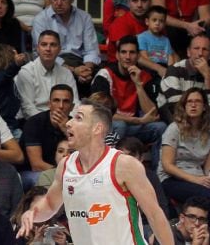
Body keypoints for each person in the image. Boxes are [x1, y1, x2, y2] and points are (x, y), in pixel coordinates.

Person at [16, 99, 174, 245]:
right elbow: (50, 205)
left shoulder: (123, 165)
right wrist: (32, 212)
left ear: (97, 128)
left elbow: (154, 214)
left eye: (78, 118)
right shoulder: (65, 166)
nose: (69, 123)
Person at [159, 87, 210, 227]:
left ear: (204, 107)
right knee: (207, 196)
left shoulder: (208, 132)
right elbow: (167, 165)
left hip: (198, 177)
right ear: (184, 106)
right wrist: (196, 180)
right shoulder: (174, 128)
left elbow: (209, 166)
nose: (193, 105)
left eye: (197, 101)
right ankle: (195, 228)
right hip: (172, 179)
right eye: (189, 102)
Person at [92, 36, 164, 148]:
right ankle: (106, 162)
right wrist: (137, 120)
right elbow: (101, 113)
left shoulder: (143, 76)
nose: (127, 57)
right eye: (123, 52)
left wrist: (138, 85)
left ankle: (158, 166)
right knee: (120, 125)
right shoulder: (105, 75)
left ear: (138, 56)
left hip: (132, 127)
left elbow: (152, 114)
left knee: (160, 127)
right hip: (109, 125)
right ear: (117, 55)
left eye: (132, 53)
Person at [31, 0, 101, 83]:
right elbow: (42, 52)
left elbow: (91, 50)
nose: (58, 3)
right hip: (52, 62)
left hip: (80, 63)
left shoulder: (84, 17)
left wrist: (87, 70)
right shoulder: (40, 19)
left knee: (101, 78)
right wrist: (73, 71)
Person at [15, 31, 80, 119]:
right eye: (44, 44)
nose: (48, 49)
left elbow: (75, 104)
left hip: (64, 121)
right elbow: (28, 109)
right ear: (38, 48)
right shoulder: (27, 72)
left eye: (53, 45)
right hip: (35, 122)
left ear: (59, 49)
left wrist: (67, 121)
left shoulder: (66, 73)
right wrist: (49, 123)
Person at [158, 35, 210, 122]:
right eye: (196, 48)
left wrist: (207, 77)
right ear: (188, 52)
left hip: (201, 121)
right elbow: (175, 107)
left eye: (205, 49)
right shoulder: (174, 71)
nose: (200, 53)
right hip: (173, 118)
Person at [21, 85, 74, 179]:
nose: (61, 106)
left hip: (66, 172)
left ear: (72, 107)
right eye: (56, 100)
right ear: (49, 104)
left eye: (66, 101)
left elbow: (85, 155)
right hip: (32, 172)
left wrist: (66, 131)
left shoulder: (75, 125)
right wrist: (63, 175)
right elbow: (36, 165)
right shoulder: (34, 123)